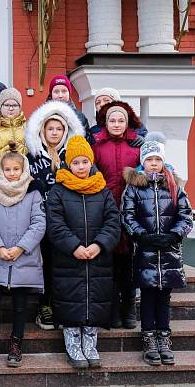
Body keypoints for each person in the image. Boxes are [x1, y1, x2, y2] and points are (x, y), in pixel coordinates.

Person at [45, 135, 121, 369]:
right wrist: (74, 247)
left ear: (91, 162)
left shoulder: (102, 190)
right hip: (69, 258)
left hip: (97, 257)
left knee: (93, 298)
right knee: (71, 299)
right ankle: (73, 343)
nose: (80, 167)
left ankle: (90, 342)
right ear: (68, 163)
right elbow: (54, 224)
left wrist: (99, 244)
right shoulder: (59, 191)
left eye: (84, 162)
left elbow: (113, 221)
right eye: (75, 162)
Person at [121, 133, 194, 366]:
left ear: (163, 162)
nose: (154, 163)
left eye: (157, 159)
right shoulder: (134, 188)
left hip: (169, 251)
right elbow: (127, 215)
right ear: (143, 162)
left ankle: (164, 337)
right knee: (148, 295)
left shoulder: (174, 186)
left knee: (164, 297)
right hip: (145, 251)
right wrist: (142, 235)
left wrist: (174, 234)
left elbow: (186, 215)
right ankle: (149, 339)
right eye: (149, 159)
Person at [0, 144, 45, 368]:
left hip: (23, 256)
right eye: (8, 169)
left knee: (20, 304)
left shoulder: (33, 192)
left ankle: (16, 343)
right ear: (0, 170)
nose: (12, 173)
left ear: (23, 170)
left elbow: (39, 223)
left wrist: (21, 248)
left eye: (16, 169)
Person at [24, 99, 85, 330]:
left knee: (64, 264)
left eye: (59, 129)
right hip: (40, 218)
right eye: (50, 128)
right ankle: (45, 306)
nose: (54, 132)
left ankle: (62, 305)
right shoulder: (33, 156)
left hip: (66, 220)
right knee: (45, 263)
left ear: (65, 130)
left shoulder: (72, 156)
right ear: (42, 130)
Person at [93, 100, 143, 329]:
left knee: (129, 263)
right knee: (108, 262)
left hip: (131, 211)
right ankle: (111, 309)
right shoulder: (96, 145)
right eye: (112, 120)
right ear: (106, 122)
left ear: (126, 122)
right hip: (105, 211)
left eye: (120, 120)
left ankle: (129, 307)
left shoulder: (137, 146)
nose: (116, 124)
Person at [46, 74, 93, 144]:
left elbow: (86, 142)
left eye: (64, 91)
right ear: (51, 94)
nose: (60, 95)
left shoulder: (79, 117)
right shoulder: (43, 115)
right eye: (56, 92)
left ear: (69, 94)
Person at [0, 87, 28, 158]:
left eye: (15, 105)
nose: (11, 108)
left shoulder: (28, 127)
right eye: (7, 105)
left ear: (20, 108)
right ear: (0, 107)